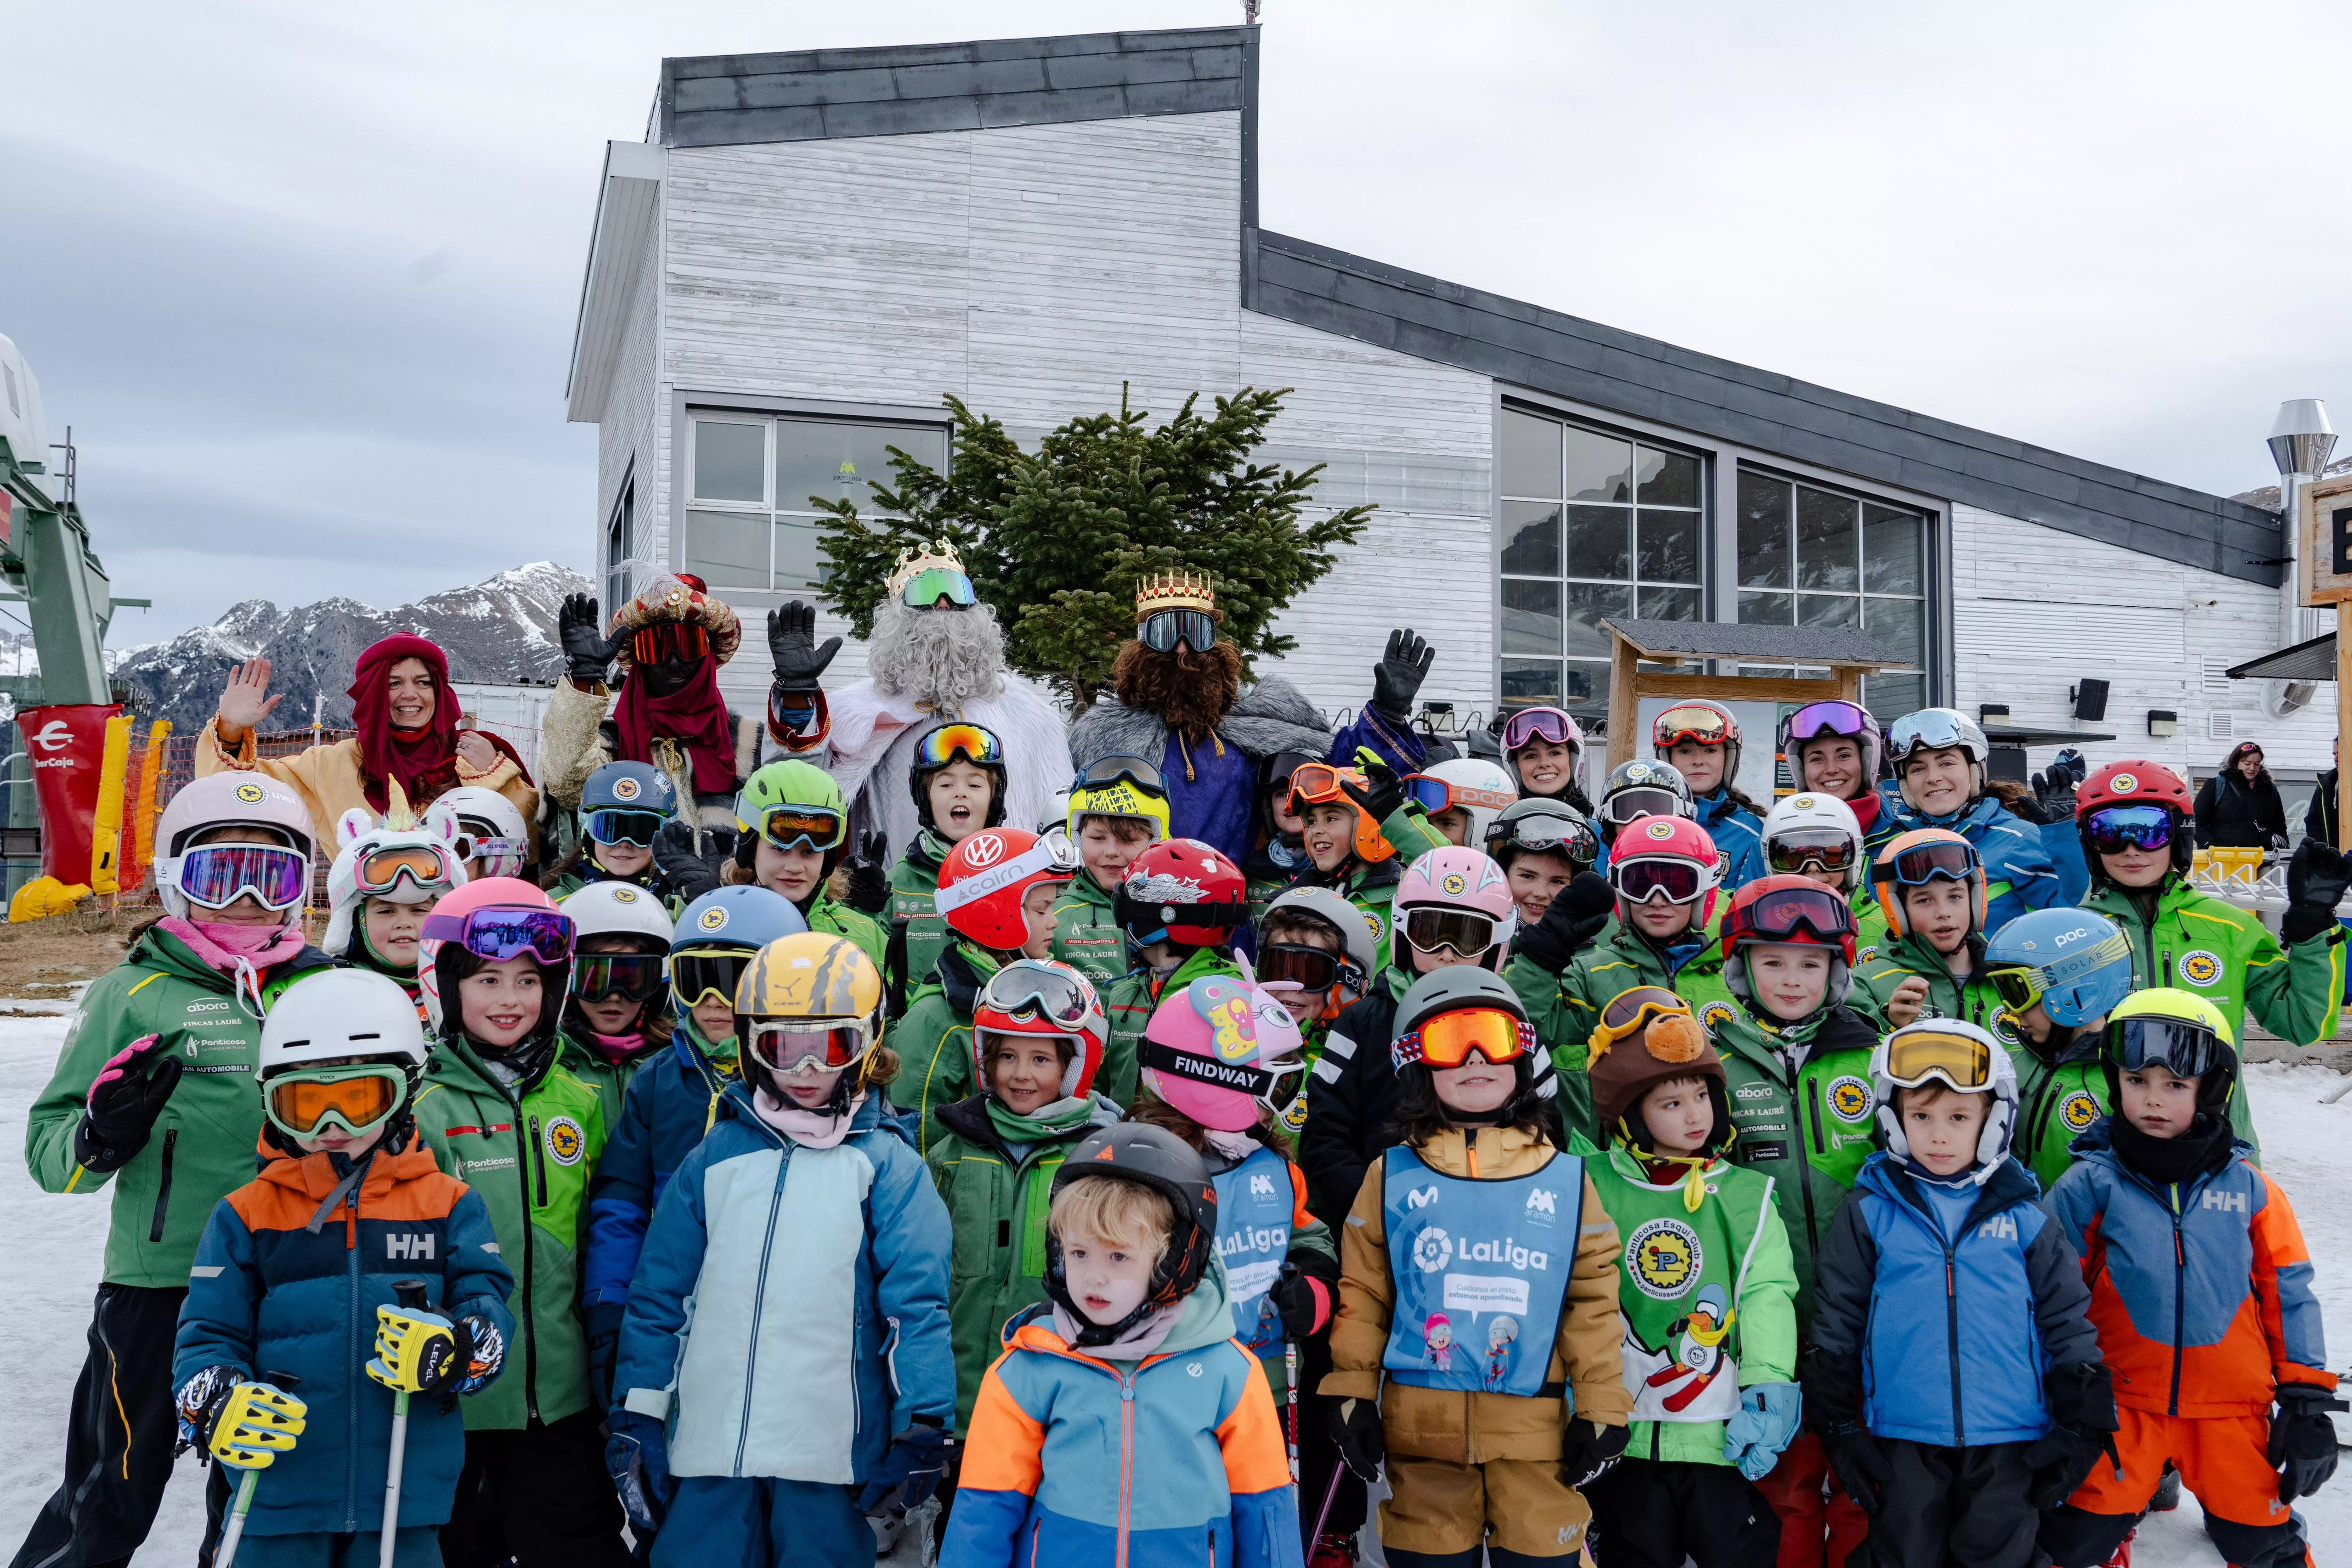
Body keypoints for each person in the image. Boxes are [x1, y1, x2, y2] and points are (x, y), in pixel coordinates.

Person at [16, 773, 335, 1568]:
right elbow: (50, 1155)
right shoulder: (134, 991)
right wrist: (98, 1135)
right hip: (160, 1279)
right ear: (175, 877)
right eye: (222, 874)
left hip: (289, 1273)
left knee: (261, 1488)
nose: (250, 897)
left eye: (276, 874)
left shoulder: (322, 988)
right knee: (111, 1484)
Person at [606, 932, 957, 1568]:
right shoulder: (716, 1158)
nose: (806, 1071)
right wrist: (639, 1411)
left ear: (869, 1041)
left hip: (827, 1454)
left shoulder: (888, 1168)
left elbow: (917, 1309)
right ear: (749, 1044)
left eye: (830, 1047)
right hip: (711, 1448)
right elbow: (661, 1297)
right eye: (781, 1047)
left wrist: (924, 1422)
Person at [171, 969, 514, 1568]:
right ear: (273, 1104)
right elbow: (206, 1336)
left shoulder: (448, 1203)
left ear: (404, 1091)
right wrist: (217, 1399)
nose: (333, 1126)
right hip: (275, 1492)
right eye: (305, 1103)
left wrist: (456, 1347)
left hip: (401, 1499)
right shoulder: (246, 1215)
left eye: (359, 1099)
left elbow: (486, 1309)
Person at [1295, 853, 1565, 1564]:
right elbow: (1322, 1132)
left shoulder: (1512, 1024)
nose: (1445, 952)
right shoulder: (1363, 1020)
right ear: (1400, 929)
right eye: (1431, 931)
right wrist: (1385, 1212)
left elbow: (1552, 1138)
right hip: (1378, 1233)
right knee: (1345, 1358)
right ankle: (1336, 1523)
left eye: (1467, 936)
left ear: (1500, 943)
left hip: (1489, 1250)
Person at [1322, 968, 1631, 1567]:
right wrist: (1351, 1393)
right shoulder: (1391, 1178)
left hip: (1536, 1437)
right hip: (1423, 1436)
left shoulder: (1565, 1179)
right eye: (1447, 1041)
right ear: (1417, 1064)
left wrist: (1601, 1408)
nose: (1473, 1059)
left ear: (1520, 1055)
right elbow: (1363, 1292)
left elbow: (1591, 1301)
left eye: (1491, 1035)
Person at [2040, 989, 2341, 1568]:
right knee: (2074, 1539)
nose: (2152, 1100)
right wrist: (2059, 1384)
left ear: (2210, 1089)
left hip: (2229, 1412)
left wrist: (2305, 1398)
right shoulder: (2088, 1186)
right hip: (2120, 1408)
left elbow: (2288, 1290)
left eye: (2175, 1085)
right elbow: (2051, 1292)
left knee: (2261, 1542)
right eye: (2136, 1081)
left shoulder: (2250, 1189)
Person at [1801, 1021, 2111, 1568]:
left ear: (1993, 1123)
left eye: (1958, 1118)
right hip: (1902, 1431)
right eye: (1920, 1117)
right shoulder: (1870, 1211)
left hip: (2010, 1435)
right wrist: (1835, 1416)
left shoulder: (2023, 1216)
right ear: (1892, 1122)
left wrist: (2080, 1408)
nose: (1938, 1136)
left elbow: (2064, 1314)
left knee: (1999, 1555)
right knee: (1903, 1554)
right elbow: (1840, 1312)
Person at [941, 1123, 1302, 1568]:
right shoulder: (1028, 1369)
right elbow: (983, 1511)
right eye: (1078, 1254)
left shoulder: (1228, 1375)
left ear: (1172, 1262)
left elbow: (1265, 1514)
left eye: (1118, 1257)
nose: (1094, 1276)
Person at [405, 879, 630, 1568]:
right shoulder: (426, 1106)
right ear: (445, 984)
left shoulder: (580, 1096)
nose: (510, 999)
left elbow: (607, 1227)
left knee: (577, 1544)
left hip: (560, 1399)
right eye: (488, 979)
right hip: (455, 1404)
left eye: (530, 980)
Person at [1580, 988, 1797, 1568]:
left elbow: (1766, 1292)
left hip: (1715, 1440)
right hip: (1619, 1435)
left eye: (1701, 1096)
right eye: (1670, 1104)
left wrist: (1769, 1379)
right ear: (1630, 1116)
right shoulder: (1591, 1185)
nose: (1695, 1115)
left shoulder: (1746, 1195)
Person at [1702, 877, 1880, 1568]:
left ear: (1838, 971)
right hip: (1764, 1319)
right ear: (1740, 968)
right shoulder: (1712, 1059)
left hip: (1862, 1315)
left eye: (1811, 964)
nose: (1792, 979)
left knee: (1864, 1481)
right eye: (1772, 961)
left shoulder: (1876, 1056)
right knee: (1785, 1486)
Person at [579, 886, 806, 1417]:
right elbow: (623, 1203)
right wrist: (609, 1307)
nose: (713, 1005)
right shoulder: (660, 1079)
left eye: (735, 982)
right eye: (696, 982)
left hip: (777, 1311)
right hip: (672, 1305)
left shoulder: (805, 1085)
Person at [2075, 760, 2347, 1146]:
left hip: (2218, 1157)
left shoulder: (2232, 929)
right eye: (2109, 834)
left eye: (2151, 831)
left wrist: (2313, 931)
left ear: (2180, 835)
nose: (2131, 849)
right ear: (2089, 842)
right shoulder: (2072, 934)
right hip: (2105, 1154)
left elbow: (2304, 1024)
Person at [1074, 575, 1431, 869]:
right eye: (1166, 632)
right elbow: (1076, 826)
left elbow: (1341, 772)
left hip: (1235, 908)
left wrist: (1387, 714)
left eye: (1196, 632)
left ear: (1215, 643)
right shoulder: (1105, 736)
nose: (1182, 649)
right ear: (1142, 646)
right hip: (1132, 906)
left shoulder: (1263, 716)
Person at [925, 959, 1122, 1433]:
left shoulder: (1098, 1162)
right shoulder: (952, 1152)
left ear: (1074, 1065)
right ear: (985, 1061)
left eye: (1040, 1060)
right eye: (1007, 1057)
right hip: (957, 1399)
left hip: (1053, 1401)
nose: (1020, 1075)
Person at [1129, 968, 1337, 1414]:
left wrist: (1312, 1287)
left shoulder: (1273, 1165)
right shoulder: (1139, 1175)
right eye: (1275, 1088)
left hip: (1265, 1383)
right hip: (1170, 1391)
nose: (1278, 1110)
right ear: (1213, 1084)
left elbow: (1305, 1236)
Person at [792, 541, 1074, 865]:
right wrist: (797, 696)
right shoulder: (856, 710)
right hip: (895, 898)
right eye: (926, 591)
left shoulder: (1026, 712)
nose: (944, 604)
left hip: (1005, 893)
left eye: (957, 590)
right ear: (898, 612)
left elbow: (1060, 814)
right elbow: (797, 790)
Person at [545, 575, 801, 898]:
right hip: (626, 912)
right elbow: (568, 786)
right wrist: (584, 678)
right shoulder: (609, 742)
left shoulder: (751, 742)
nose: (675, 661)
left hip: (729, 914)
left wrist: (797, 693)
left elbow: (796, 803)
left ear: (708, 656)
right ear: (638, 661)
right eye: (656, 649)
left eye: (689, 646)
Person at [201, 634, 537, 860]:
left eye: (423, 683)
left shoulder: (476, 755)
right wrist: (232, 729)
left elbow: (530, 842)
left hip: (463, 932)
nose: (410, 694)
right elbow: (240, 793)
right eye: (393, 684)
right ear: (374, 694)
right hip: (368, 931)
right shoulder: (329, 766)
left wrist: (494, 779)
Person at [1515, 815, 1732, 1145]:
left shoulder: (1732, 977)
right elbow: (1528, 1028)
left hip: (1718, 1166)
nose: (1658, 899)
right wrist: (1541, 956)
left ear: (1705, 890)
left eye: (1677, 885)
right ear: (1620, 889)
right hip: (1617, 1166)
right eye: (1640, 884)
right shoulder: (1592, 972)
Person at [887, 826, 1082, 1152]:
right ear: (996, 913)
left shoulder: (1042, 991)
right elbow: (917, 1142)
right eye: (1041, 910)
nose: (1054, 922)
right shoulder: (936, 1018)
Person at [1979, 908, 2136, 1188]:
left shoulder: (2126, 1083)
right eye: (2002, 992)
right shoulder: (2010, 1064)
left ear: (2074, 991)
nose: (2012, 1011)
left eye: (2018, 992)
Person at [1098, 837, 1254, 1105]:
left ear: (1163, 914)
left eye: (1126, 904)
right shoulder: (1124, 994)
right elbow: (1099, 1087)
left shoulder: (1235, 999)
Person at [1877, 708, 2058, 936]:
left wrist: (2066, 839)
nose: (1933, 778)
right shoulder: (1897, 846)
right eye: (1918, 769)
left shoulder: (2018, 840)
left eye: (1947, 763)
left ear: (1974, 771)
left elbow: (2076, 917)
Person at [886, 722, 1010, 1015]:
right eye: (945, 784)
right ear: (925, 799)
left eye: (975, 784)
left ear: (995, 798)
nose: (960, 794)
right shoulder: (893, 886)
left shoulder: (1017, 880)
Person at [1285, 757, 1451, 973]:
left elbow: (1449, 873)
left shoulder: (1405, 892)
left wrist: (1395, 816)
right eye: (1312, 821)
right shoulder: (1295, 899)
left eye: (1332, 819)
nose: (1316, 830)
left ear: (1367, 824)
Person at [726, 759, 889, 969]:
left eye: (810, 852)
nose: (795, 867)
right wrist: (692, 908)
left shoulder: (865, 933)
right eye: (780, 849)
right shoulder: (722, 922)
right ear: (749, 850)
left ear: (828, 859)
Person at [1847, 829, 2007, 1036]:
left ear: (1975, 900)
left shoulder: (2010, 979)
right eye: (1925, 900)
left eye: (1955, 897)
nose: (1943, 913)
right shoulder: (1863, 985)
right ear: (1898, 910)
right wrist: (1889, 1021)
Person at [322, 784, 466, 1011]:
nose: (404, 924)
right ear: (354, 920)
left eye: (419, 910)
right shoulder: (328, 992)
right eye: (386, 911)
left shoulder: (466, 991)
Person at [556, 881, 677, 1130]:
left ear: (658, 984)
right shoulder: (545, 1062)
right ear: (568, 980)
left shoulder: (676, 1062)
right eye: (594, 980)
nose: (613, 996)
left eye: (632, 981)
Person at [1049, 754, 1171, 982]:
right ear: (1076, 838)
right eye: (1097, 838)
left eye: (1127, 840)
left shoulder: (1178, 913)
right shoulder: (1052, 917)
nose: (1111, 851)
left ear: (1155, 842)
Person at [1257, 886, 1377, 1078]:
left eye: (1310, 973)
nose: (1290, 986)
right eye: (1278, 969)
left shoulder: (1360, 1070)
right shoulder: (1238, 1045)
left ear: (1348, 982)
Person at [1651, 700, 1767, 891]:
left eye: (1711, 750)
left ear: (1729, 758)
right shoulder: (1646, 821)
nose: (1698, 761)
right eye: (1685, 751)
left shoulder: (1752, 834)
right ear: (1667, 758)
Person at [1757, 791, 1883, 960]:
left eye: (1830, 855)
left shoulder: (1880, 925)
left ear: (1854, 858)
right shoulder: (1757, 920)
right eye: (1794, 856)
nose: (1814, 868)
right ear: (1771, 864)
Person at [546, 760, 682, 903]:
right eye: (608, 829)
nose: (624, 844)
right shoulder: (554, 905)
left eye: (642, 831)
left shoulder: (678, 903)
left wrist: (695, 902)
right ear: (588, 833)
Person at [1774, 701, 1887, 847]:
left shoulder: (1902, 842)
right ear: (1801, 770)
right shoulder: (1776, 842)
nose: (1831, 769)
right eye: (1817, 759)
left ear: (1865, 762)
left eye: (1844, 756)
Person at [1483, 796, 1601, 934]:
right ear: (1502, 873)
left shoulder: (1596, 941)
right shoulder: (1472, 934)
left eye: (1557, 881)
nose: (1541, 893)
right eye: (1528, 876)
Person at [1402, 756, 1517, 849]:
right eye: (1427, 824)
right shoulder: (1412, 873)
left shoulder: (1510, 876)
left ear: (1484, 826)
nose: (1430, 834)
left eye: (1446, 824)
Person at [2194, 740, 2290, 850]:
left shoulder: (2269, 789)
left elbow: (2280, 825)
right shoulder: (2216, 786)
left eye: (2257, 764)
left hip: (2263, 858)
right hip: (2224, 859)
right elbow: (2196, 821)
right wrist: (2211, 846)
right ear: (2236, 762)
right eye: (2247, 764)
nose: (2252, 768)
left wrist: (2283, 846)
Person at [1497, 705, 1594, 812]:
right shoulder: (1503, 826)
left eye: (1555, 753)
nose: (1544, 763)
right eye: (1531, 756)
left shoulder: (1600, 828)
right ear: (1515, 768)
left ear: (1573, 760)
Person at [439, 785, 532, 882]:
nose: (440, 864)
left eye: (457, 850)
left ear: (503, 860)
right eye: (431, 851)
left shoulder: (538, 897)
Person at [2305, 737, 2338, 848]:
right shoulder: (2326, 784)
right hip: (2333, 857)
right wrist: (2320, 849)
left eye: (2340, 754)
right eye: (2334, 754)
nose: (2336, 759)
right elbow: (2313, 822)